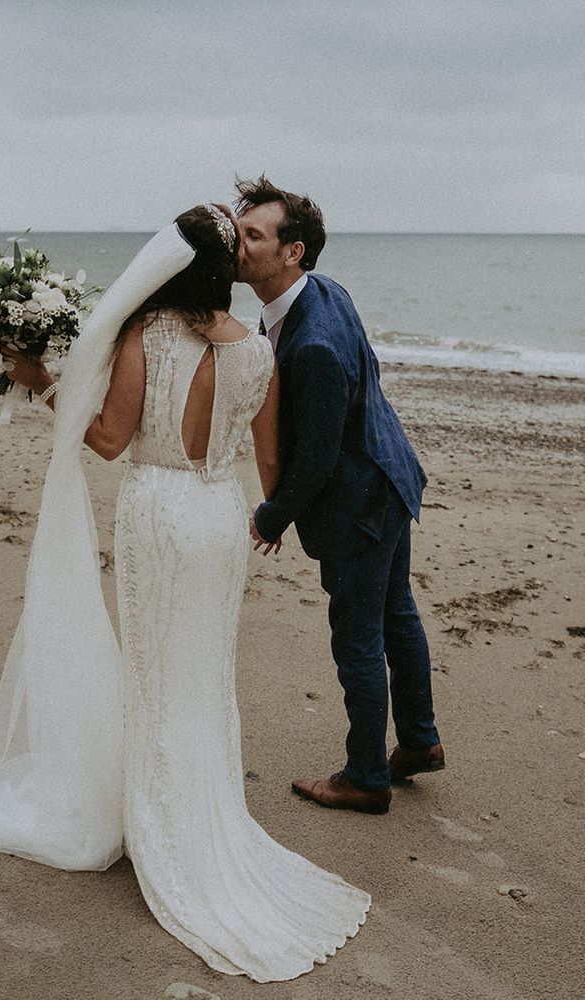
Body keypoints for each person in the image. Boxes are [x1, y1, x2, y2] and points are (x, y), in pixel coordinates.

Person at [0, 205, 369, 982]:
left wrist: (42, 383)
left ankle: (163, 833)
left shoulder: (150, 336)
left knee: (155, 673)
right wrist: (275, 523)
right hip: (221, 520)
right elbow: (269, 462)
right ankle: (203, 823)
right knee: (202, 679)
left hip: (160, 514)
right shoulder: (257, 353)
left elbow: (108, 440)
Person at [235, 175, 445, 815]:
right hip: (387, 473)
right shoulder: (323, 292)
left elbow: (319, 456)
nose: (238, 247)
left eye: (252, 236)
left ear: (291, 252)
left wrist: (273, 514)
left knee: (357, 635)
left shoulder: (315, 342)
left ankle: (365, 777)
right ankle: (418, 742)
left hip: (359, 500)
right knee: (396, 614)